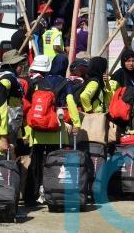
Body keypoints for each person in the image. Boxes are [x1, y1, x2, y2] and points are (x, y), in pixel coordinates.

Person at [23, 53, 81, 206]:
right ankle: (52, 194)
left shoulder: (40, 82)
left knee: (35, 163)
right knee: (55, 163)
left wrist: (28, 131)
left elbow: (32, 106)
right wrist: (76, 123)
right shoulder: (65, 83)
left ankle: (30, 196)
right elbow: (70, 102)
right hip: (56, 130)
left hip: (38, 131)